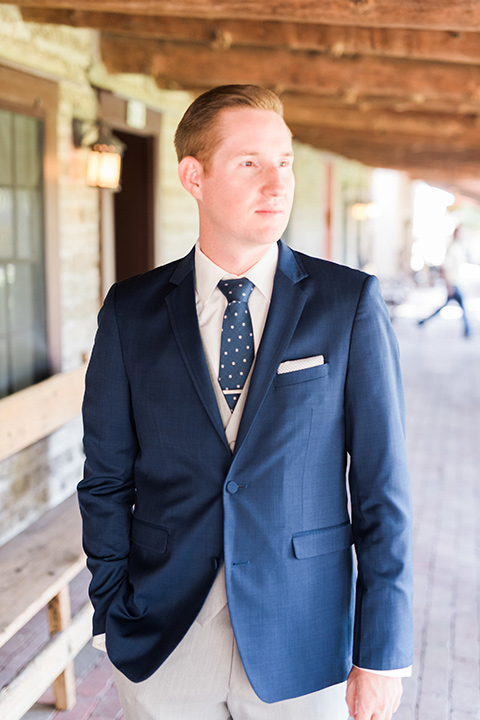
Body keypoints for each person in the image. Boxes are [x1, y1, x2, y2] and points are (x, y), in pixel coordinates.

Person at [78, 85, 413, 720]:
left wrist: (382, 652)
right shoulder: (130, 311)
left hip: (304, 637)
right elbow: (105, 480)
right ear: (193, 175)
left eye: (283, 162)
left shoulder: (348, 305)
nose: (277, 183)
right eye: (250, 163)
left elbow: (382, 489)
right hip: (163, 639)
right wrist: (108, 614)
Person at [418, 227, 471, 336]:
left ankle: (424, 321)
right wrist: (448, 285)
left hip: (456, 282)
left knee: (449, 306)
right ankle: (467, 330)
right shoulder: (451, 248)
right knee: (462, 307)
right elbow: (445, 268)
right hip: (453, 283)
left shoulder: (458, 247)